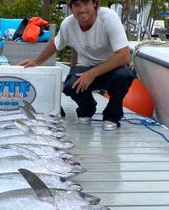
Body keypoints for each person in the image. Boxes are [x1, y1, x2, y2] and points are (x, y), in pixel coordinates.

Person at [20, 0, 134, 131]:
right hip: (85, 66)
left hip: (111, 68)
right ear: (71, 8)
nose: (82, 9)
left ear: (95, 4)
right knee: (70, 86)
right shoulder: (68, 24)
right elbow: (55, 44)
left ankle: (112, 116)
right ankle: (87, 108)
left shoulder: (109, 18)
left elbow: (124, 56)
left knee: (124, 76)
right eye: (77, 5)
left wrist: (92, 73)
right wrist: (37, 61)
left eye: (86, 3)